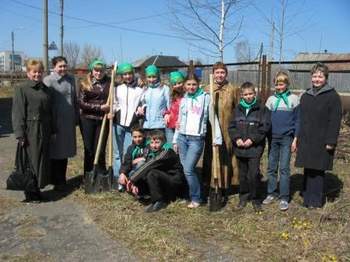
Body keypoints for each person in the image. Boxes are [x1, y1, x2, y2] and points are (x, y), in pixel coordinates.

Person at [295, 63, 342, 208]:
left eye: (320, 76)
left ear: (326, 78)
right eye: (314, 76)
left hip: (322, 139)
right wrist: (297, 137)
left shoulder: (332, 96)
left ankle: (315, 201)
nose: (317, 79)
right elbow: (300, 118)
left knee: (317, 170)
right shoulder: (306, 95)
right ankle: (307, 197)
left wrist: (331, 141)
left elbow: (335, 120)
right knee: (308, 168)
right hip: (307, 138)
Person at [173, 73, 222, 208]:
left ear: (198, 84)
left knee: (188, 169)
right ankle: (190, 194)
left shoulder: (205, 98)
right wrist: (175, 139)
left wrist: (217, 138)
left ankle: (197, 197)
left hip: (196, 139)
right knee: (186, 169)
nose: (191, 87)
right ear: (184, 86)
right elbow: (179, 121)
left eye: (194, 84)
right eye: (188, 84)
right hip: (182, 137)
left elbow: (213, 118)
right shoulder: (184, 100)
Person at [12, 59, 54, 201]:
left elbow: (49, 112)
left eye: (40, 71)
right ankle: (30, 191)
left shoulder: (46, 89)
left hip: (45, 129)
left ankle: (37, 188)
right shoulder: (21, 88)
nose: (37, 74)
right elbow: (18, 112)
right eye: (34, 71)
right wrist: (20, 134)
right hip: (31, 130)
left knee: (42, 160)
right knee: (31, 161)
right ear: (28, 73)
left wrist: (52, 130)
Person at [228, 82, 271, 211]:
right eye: (245, 94)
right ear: (241, 95)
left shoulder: (262, 109)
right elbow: (231, 127)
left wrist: (252, 140)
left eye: (250, 94)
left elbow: (264, 128)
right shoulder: (237, 110)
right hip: (240, 149)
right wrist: (237, 139)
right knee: (242, 174)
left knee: (253, 174)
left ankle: (256, 199)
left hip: (254, 149)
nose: (248, 96)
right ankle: (243, 196)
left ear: (255, 93)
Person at [262, 71, 300, 211]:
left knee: (284, 168)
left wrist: (295, 139)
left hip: (287, 138)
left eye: (282, 84)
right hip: (273, 138)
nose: (279, 87)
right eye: (277, 84)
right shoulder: (271, 100)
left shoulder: (294, 99)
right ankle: (271, 193)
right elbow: (266, 120)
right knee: (271, 167)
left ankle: (284, 197)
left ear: (287, 84)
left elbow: (298, 121)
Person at [126, 130, 187, 212]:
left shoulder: (167, 151)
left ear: (163, 142)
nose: (154, 146)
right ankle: (145, 195)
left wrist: (133, 179)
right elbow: (145, 166)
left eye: (157, 142)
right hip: (163, 178)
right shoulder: (149, 150)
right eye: (151, 142)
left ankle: (159, 200)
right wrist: (135, 182)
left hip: (174, 181)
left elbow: (151, 164)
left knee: (152, 173)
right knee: (144, 172)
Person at [203, 62, 239, 200]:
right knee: (212, 156)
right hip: (211, 130)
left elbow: (237, 110)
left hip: (227, 130)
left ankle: (225, 187)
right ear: (213, 74)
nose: (219, 75)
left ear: (226, 74)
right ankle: (212, 185)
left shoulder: (233, 89)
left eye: (222, 72)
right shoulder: (207, 90)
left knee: (226, 157)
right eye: (217, 72)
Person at [43, 56, 78, 191]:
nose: (63, 68)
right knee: (55, 151)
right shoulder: (48, 81)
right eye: (60, 66)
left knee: (65, 151)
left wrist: (76, 117)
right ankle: (55, 179)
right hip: (55, 120)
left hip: (68, 121)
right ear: (54, 67)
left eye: (64, 66)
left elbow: (74, 99)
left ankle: (61, 178)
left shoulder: (71, 79)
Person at [111, 62, 144, 191]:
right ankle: (118, 178)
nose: (128, 76)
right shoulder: (117, 88)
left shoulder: (140, 89)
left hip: (132, 125)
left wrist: (142, 108)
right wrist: (113, 110)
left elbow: (143, 103)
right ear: (122, 75)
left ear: (133, 74)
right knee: (117, 153)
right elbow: (114, 102)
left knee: (127, 153)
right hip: (118, 123)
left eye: (130, 73)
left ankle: (128, 178)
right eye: (125, 74)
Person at [79, 59, 110, 174]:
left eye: (101, 70)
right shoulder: (85, 83)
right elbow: (81, 103)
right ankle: (88, 173)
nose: (98, 73)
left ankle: (101, 172)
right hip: (87, 119)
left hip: (103, 119)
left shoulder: (110, 83)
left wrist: (140, 82)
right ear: (92, 71)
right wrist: (100, 107)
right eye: (96, 70)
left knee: (100, 147)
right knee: (89, 148)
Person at [138, 65, 170, 138]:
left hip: (159, 125)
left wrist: (168, 114)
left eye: (154, 77)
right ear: (146, 77)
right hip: (146, 125)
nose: (151, 79)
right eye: (149, 77)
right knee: (148, 148)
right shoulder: (144, 89)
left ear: (158, 76)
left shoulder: (164, 89)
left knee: (159, 147)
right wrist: (139, 108)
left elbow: (169, 106)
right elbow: (141, 103)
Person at [163, 71, 185, 143]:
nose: (177, 85)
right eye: (174, 84)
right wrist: (166, 114)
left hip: (181, 126)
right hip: (171, 125)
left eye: (179, 83)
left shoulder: (187, 96)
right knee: (171, 148)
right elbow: (170, 109)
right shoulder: (173, 96)